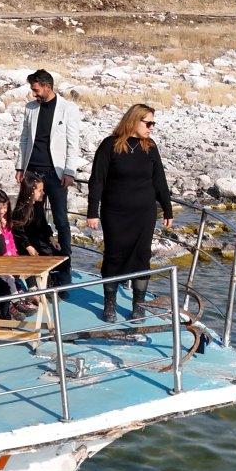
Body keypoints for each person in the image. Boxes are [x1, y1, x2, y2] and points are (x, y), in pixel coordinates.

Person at [86, 103, 173, 322]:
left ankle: (139, 305)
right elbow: (97, 181)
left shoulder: (150, 147)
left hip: (144, 213)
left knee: (142, 256)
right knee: (114, 255)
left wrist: (167, 209)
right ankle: (109, 305)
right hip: (115, 212)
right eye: (148, 123)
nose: (152, 127)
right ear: (134, 120)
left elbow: (159, 181)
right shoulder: (110, 145)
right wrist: (92, 212)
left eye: (153, 123)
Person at [15, 70, 84, 285]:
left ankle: (65, 266)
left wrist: (70, 171)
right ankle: (33, 259)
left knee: (61, 220)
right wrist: (20, 166)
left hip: (56, 172)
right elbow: (24, 138)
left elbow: (73, 142)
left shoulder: (68, 108)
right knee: (28, 215)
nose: (33, 94)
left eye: (35, 89)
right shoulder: (30, 108)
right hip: (32, 169)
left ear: (47, 86)